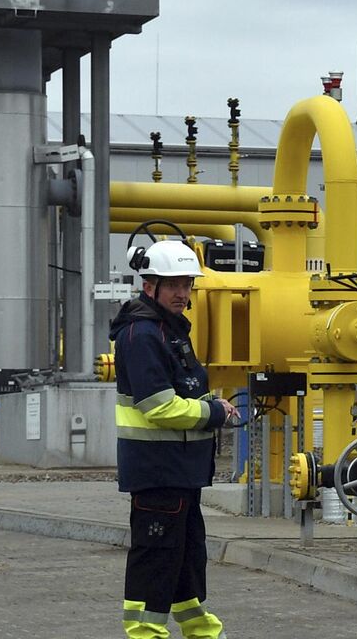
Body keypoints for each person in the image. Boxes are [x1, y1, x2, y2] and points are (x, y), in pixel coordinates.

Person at [113, 239, 237, 639]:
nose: (183, 294)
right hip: (158, 472)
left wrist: (209, 404)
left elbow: (180, 394)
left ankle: (200, 630)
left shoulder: (168, 331)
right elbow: (159, 406)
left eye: (187, 284)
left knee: (186, 559)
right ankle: (144, 634)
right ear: (150, 287)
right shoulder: (142, 335)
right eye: (174, 286)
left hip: (180, 472)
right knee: (157, 560)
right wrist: (213, 412)